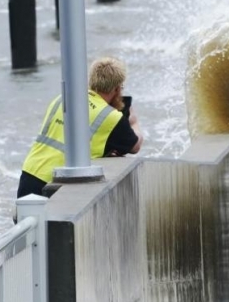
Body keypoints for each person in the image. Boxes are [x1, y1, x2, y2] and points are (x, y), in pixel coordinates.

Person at [17, 57, 143, 198]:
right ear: (117, 88)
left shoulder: (61, 99)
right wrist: (133, 121)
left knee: (27, 220)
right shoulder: (111, 117)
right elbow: (135, 146)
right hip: (60, 182)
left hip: (31, 172)